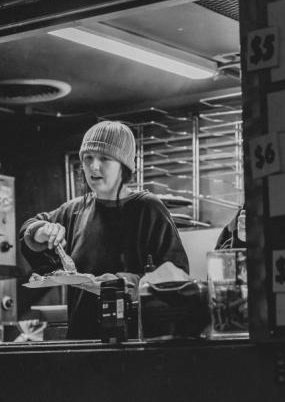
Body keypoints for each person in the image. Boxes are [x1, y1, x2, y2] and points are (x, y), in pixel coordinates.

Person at [19, 120, 189, 339]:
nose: (93, 167)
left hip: (135, 343)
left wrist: (119, 284)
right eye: (88, 158)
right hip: (83, 341)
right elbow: (30, 233)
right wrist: (38, 231)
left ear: (124, 166)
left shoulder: (147, 208)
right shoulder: (74, 210)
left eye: (105, 159)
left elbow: (177, 276)